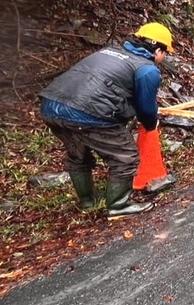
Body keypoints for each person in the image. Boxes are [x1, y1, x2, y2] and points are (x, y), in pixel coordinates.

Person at [39, 22, 174, 217]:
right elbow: (145, 108)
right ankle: (118, 206)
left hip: (51, 106)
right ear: (158, 50)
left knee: (79, 154)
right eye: (165, 53)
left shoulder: (109, 52)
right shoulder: (147, 69)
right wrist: (151, 124)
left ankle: (87, 202)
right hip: (87, 113)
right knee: (125, 156)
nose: (164, 58)